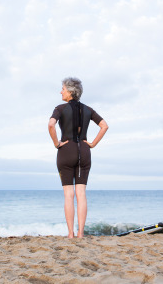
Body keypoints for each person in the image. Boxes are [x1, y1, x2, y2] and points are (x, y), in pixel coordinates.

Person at [48, 77, 108, 238]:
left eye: (62, 89)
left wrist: (56, 143)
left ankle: (70, 234)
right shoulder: (88, 110)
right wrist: (93, 144)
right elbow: (104, 125)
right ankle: (81, 233)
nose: (60, 91)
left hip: (66, 150)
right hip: (84, 151)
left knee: (69, 194)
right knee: (81, 193)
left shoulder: (60, 108)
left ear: (70, 91)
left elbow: (51, 124)